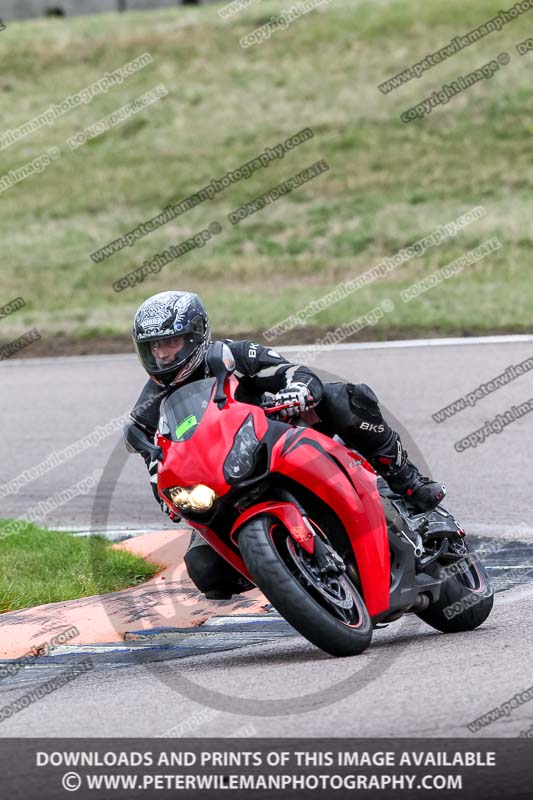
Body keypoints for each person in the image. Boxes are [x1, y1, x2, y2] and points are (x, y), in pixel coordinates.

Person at [125, 290, 446, 599]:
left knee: (344, 398)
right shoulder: (147, 409)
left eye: (170, 341)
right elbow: (158, 465)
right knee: (205, 570)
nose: (163, 354)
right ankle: (286, 574)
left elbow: (294, 372)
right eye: (153, 347)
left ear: (196, 335)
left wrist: (297, 390)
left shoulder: (234, 355)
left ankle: (407, 481)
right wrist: (167, 497)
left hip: (277, 444)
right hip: (220, 483)